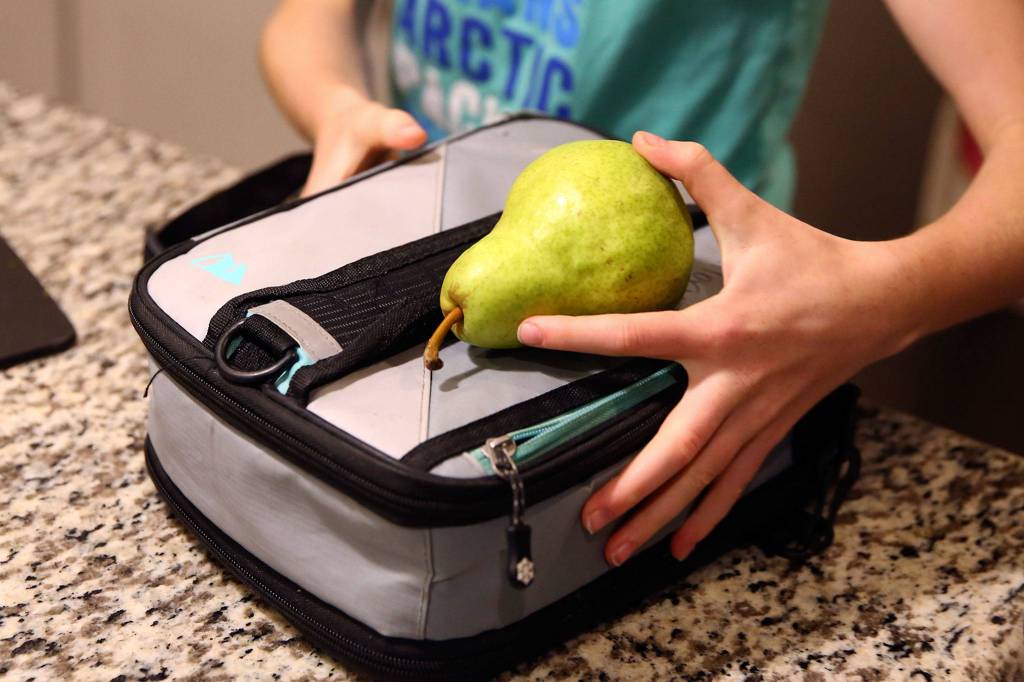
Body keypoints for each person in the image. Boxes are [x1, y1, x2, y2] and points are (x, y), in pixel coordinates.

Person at [261, 0, 1024, 567]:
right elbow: (303, 22)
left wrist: (879, 301)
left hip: (692, 361)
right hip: (423, 283)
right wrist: (341, 108)